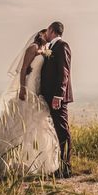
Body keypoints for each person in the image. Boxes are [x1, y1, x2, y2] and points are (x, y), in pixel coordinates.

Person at [0, 29, 60, 176]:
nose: (47, 36)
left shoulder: (43, 50)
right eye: (44, 33)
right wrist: (22, 88)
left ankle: (32, 160)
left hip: (37, 87)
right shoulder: (32, 48)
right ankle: (4, 157)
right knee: (19, 123)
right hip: (28, 87)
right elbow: (23, 69)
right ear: (40, 35)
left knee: (35, 125)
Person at [40, 21, 73, 178]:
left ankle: (66, 167)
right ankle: (56, 165)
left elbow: (64, 72)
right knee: (55, 130)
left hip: (57, 97)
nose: (45, 33)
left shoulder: (62, 46)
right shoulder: (51, 47)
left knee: (62, 131)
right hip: (49, 96)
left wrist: (58, 96)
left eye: (47, 30)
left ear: (52, 30)